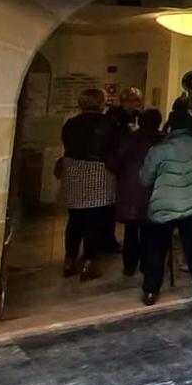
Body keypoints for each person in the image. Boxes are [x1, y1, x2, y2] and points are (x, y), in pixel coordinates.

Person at [138, 102, 192, 310]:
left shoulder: (159, 149)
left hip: (164, 203)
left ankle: (150, 291)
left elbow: (145, 178)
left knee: (156, 248)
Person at [55, 87, 117, 280]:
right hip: (99, 172)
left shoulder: (71, 124)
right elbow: (116, 146)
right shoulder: (110, 123)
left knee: (75, 220)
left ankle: (69, 259)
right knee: (94, 220)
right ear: (100, 102)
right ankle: (89, 262)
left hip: (74, 171)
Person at [109, 107, 163, 277]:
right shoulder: (162, 141)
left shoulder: (128, 139)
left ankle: (129, 265)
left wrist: (122, 175)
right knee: (150, 231)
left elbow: (114, 162)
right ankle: (147, 265)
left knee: (131, 231)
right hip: (155, 191)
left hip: (131, 191)